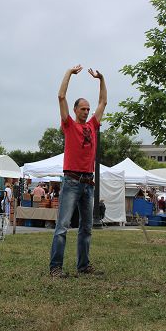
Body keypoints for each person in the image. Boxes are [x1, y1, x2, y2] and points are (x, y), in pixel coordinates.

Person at [49, 65, 107, 278]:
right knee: (63, 227)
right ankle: (55, 267)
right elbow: (61, 96)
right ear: (75, 110)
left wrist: (101, 79)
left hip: (88, 183)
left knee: (86, 228)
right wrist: (68, 74)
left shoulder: (92, 125)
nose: (86, 111)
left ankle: (83, 265)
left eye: (87, 109)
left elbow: (103, 102)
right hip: (72, 181)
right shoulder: (69, 125)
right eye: (82, 108)